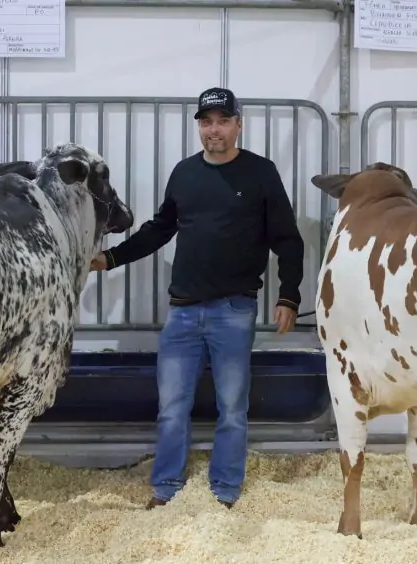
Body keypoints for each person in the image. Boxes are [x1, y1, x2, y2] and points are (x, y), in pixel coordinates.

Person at [90, 87, 304, 509]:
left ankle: (225, 490)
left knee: (232, 408)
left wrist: (290, 296)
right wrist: (111, 257)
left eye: (223, 121)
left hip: (234, 309)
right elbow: (159, 228)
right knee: (171, 407)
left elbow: (288, 240)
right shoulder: (184, 173)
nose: (214, 130)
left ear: (239, 124)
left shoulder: (261, 173)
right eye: (206, 122)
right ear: (199, 127)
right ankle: (165, 489)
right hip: (182, 312)